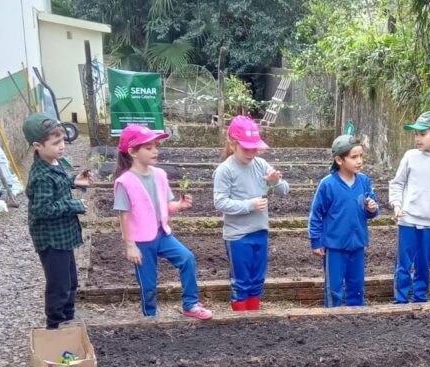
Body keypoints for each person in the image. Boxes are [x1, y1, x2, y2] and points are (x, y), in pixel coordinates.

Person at [113, 124, 213, 320]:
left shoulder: (159, 175)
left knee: (187, 258)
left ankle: (190, 304)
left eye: (155, 147)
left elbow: (166, 206)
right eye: (148, 148)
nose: (155, 151)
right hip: (141, 241)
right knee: (149, 283)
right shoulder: (125, 182)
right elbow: (123, 216)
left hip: (162, 234)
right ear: (133, 152)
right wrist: (130, 246)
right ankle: (150, 316)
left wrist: (180, 205)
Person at [24, 112, 93, 329]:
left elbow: (60, 183)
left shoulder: (54, 162)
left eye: (62, 140)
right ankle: (55, 325)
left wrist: (75, 181)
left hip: (63, 235)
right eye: (55, 143)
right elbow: (43, 209)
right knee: (59, 284)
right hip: (52, 239)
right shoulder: (41, 176)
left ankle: (69, 318)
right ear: (37, 145)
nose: (61, 146)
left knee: (71, 280)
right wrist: (75, 205)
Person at [213, 116, 290, 311]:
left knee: (257, 279)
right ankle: (241, 318)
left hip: (260, 231)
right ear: (233, 143)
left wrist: (275, 181)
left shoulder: (261, 164)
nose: (251, 153)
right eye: (246, 148)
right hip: (237, 235)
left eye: (254, 148)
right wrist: (250, 205)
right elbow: (220, 202)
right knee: (241, 281)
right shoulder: (225, 170)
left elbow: (285, 191)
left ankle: (253, 316)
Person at [389, 111, 430, 303]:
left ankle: (420, 298)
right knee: (404, 263)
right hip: (408, 220)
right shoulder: (410, 156)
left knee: (423, 263)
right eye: (416, 134)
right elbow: (397, 183)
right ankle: (400, 300)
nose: (417, 138)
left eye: (422, 133)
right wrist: (396, 204)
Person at [308, 135, 379, 308]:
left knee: (356, 286)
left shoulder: (363, 181)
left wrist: (372, 208)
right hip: (335, 246)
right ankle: (333, 315)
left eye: (361, 156)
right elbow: (316, 214)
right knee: (334, 287)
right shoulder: (328, 185)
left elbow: (372, 209)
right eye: (354, 157)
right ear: (339, 159)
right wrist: (316, 241)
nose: (359, 161)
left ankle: (356, 315)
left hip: (357, 244)